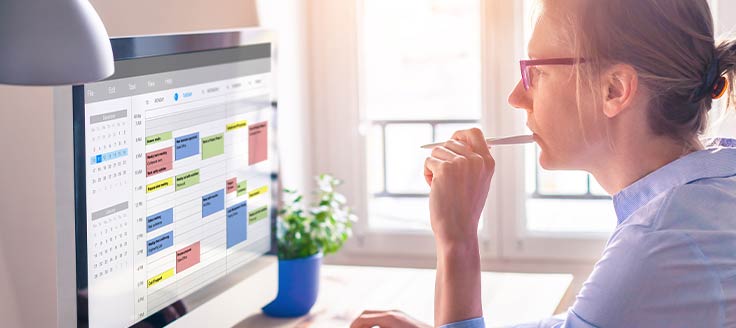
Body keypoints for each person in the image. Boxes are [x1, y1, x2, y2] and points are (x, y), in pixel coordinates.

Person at [350, 0, 736, 327]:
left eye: (537, 71)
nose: (517, 97)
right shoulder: (709, 194)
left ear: (614, 89)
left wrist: (457, 240)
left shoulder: (660, 242)